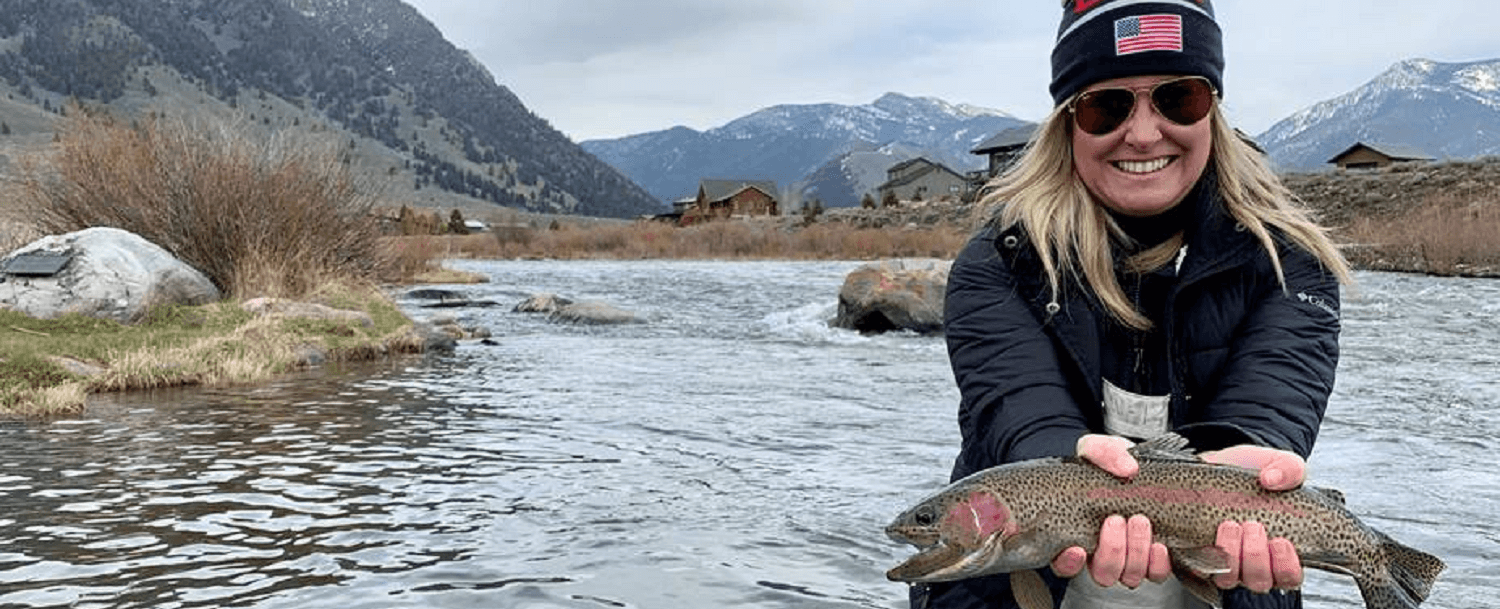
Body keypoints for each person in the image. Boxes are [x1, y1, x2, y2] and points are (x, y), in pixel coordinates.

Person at [918, 1, 1354, 608]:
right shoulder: (1000, 262)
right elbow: (1018, 408)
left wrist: (1242, 464)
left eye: (1178, 99)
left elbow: (1271, 401)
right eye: (1106, 106)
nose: (1144, 133)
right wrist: (1061, 460)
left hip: (1228, 579)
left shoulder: (1291, 262)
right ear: (1068, 121)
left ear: (1213, 111)